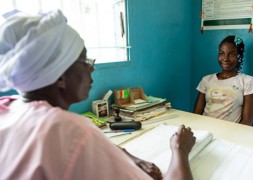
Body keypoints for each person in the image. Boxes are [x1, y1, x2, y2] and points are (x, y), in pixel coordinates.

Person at [0, 10, 196, 180]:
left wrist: (128, 156)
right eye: (84, 59)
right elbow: (75, 141)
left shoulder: (8, 107)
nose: (91, 67)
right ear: (59, 74)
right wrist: (180, 149)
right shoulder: (70, 130)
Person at [193, 35, 253, 125]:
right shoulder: (207, 80)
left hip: (229, 133)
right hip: (204, 130)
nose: (225, 58)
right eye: (221, 53)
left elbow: (247, 121)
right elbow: (196, 115)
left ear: (239, 57)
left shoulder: (248, 81)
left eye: (232, 54)